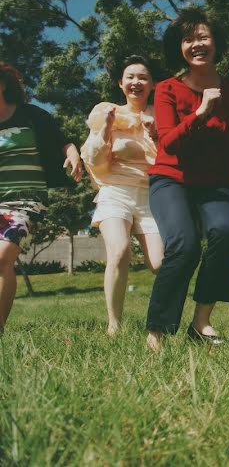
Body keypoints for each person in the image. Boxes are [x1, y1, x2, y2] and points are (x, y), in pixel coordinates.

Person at [145, 9, 229, 351]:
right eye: (188, 39)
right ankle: (158, 332)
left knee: (226, 231)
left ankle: (201, 322)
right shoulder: (166, 89)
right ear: (179, 48)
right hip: (171, 179)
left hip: (215, 182)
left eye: (204, 37)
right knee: (184, 245)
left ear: (215, 43)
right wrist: (200, 113)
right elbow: (167, 142)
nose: (197, 44)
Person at [81, 55, 163, 336]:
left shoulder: (161, 113)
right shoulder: (107, 112)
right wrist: (104, 129)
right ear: (121, 83)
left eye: (142, 77)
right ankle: (114, 324)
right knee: (119, 251)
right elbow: (93, 158)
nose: (136, 82)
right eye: (130, 77)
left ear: (152, 84)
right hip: (115, 191)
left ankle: (159, 326)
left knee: (161, 265)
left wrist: (155, 133)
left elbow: (172, 156)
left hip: (152, 195)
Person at [0, 62, 82, 333]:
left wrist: (72, 154)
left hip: (27, 203)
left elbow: (63, 141)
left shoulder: (31, 115)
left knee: (2, 257)